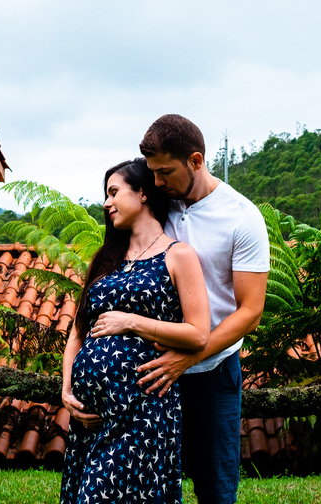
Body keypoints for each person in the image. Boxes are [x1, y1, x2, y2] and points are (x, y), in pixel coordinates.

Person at [136, 114, 270, 504]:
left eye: (165, 172)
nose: (157, 182)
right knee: (151, 486)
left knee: (216, 489)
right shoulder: (156, 206)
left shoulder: (242, 217)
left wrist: (189, 357)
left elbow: (250, 311)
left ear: (196, 161)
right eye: (152, 172)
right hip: (152, 370)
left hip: (215, 372)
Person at [60, 157, 210, 504]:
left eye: (114, 192)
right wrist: (66, 390)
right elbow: (78, 331)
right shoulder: (106, 259)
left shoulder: (178, 256)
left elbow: (198, 333)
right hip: (92, 418)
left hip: (142, 412)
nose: (106, 203)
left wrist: (131, 321)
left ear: (142, 193)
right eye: (106, 195)